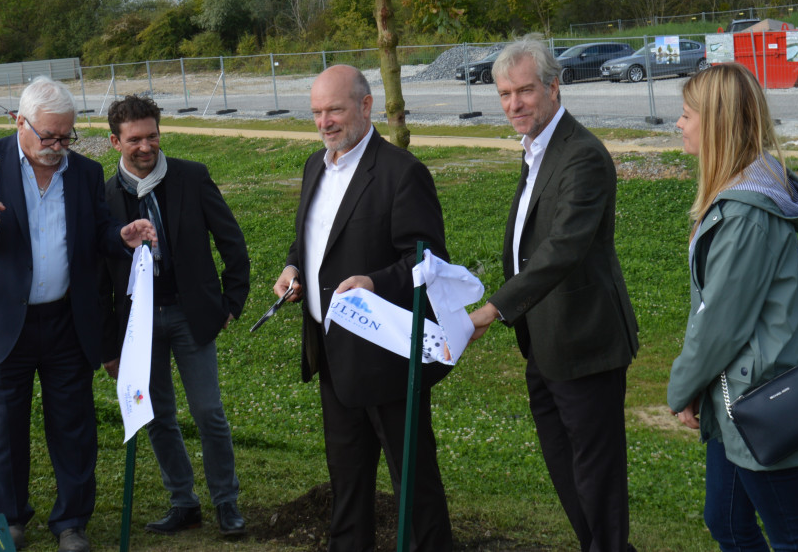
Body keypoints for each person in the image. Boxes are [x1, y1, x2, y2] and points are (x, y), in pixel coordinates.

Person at [0, 77, 155, 552]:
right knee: (3, 429)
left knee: (73, 425)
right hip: (2, 321)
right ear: (20, 123)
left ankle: (72, 522)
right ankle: (11, 517)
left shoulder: (81, 173)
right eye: (48, 137)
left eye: (66, 136)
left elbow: (97, 234)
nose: (57, 147)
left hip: (65, 321)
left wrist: (121, 237)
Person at [467, 37, 640, 552]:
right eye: (504, 94)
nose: (514, 104)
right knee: (566, 471)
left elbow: (562, 247)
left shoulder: (581, 155)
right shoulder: (537, 150)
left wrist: (494, 308)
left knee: (597, 479)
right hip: (543, 343)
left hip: (585, 343)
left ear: (553, 86)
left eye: (524, 91)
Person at [272, 65, 452, 552]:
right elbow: (311, 242)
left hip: (386, 355)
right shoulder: (316, 165)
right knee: (346, 474)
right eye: (316, 112)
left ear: (366, 106)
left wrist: (374, 281)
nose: (324, 121)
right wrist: (294, 271)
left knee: (411, 476)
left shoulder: (401, 172)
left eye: (334, 109)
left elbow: (428, 260)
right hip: (332, 353)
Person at [667, 63, 798, 551]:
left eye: (687, 114)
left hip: (759, 398)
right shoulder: (739, 195)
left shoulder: (746, 215)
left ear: (714, 123)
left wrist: (681, 389)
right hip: (733, 396)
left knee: (794, 538)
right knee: (727, 522)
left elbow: (719, 324)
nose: (679, 123)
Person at [97, 95, 250, 538]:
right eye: (135, 140)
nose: (146, 147)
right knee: (157, 414)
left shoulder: (191, 177)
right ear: (114, 141)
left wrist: (230, 301)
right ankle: (183, 501)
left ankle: (227, 501)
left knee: (208, 411)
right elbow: (100, 278)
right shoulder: (105, 196)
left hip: (191, 315)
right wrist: (111, 346)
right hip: (139, 324)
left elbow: (232, 242)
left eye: (153, 136)